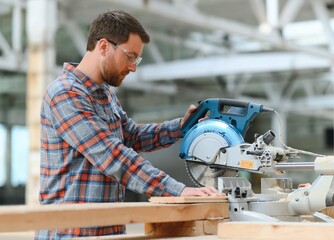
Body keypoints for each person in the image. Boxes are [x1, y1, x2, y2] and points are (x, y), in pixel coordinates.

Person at [35, 9, 222, 239]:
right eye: (130, 56)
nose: (134, 67)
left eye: (137, 59)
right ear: (103, 46)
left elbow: (131, 136)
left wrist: (181, 127)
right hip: (71, 233)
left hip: (108, 230)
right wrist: (177, 190)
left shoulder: (105, 94)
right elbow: (112, 156)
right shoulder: (65, 94)